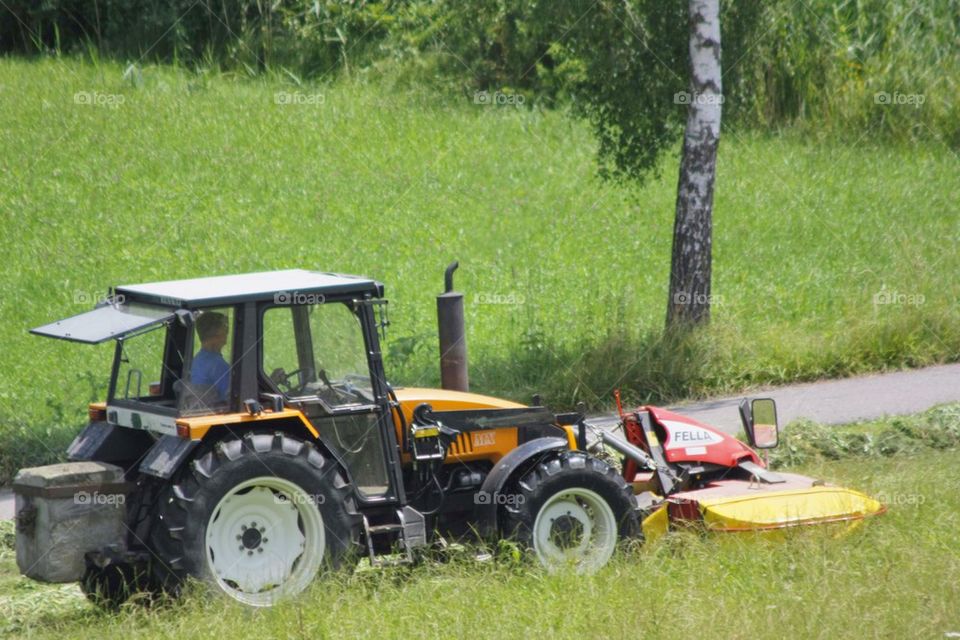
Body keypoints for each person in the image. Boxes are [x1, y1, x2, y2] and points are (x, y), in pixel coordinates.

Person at [191, 311, 230, 401]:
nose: (227, 332)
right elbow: (231, 398)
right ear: (216, 335)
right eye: (225, 328)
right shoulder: (218, 365)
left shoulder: (197, 359)